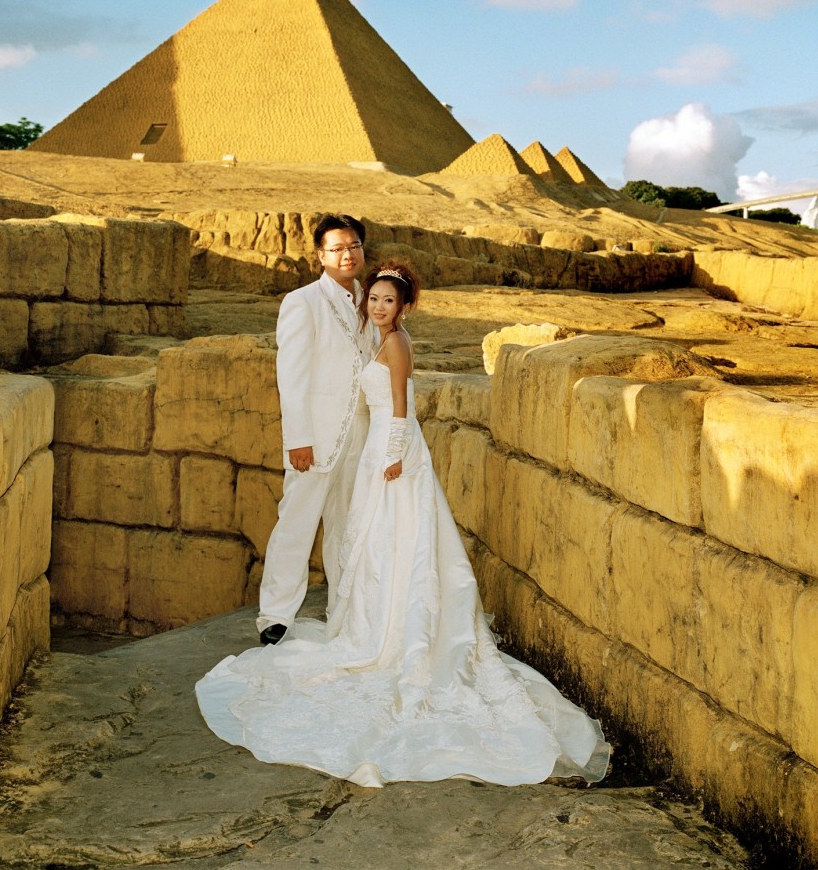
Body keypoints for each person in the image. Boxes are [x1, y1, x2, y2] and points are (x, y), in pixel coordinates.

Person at [196, 260, 611, 788]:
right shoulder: (372, 335)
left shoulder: (396, 345)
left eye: (388, 301)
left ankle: (401, 638)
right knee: (374, 543)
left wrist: (392, 456)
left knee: (399, 540)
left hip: (392, 454)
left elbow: (400, 408)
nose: (377, 306)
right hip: (372, 453)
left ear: (405, 306)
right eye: (373, 299)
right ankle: (374, 625)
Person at [255, 213, 376, 647]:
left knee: (349, 524)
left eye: (354, 246)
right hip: (317, 437)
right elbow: (292, 377)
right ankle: (275, 614)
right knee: (297, 522)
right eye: (337, 248)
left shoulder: (373, 299)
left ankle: (343, 611)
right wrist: (298, 440)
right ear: (320, 256)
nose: (348, 255)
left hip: (362, 436)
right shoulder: (301, 302)